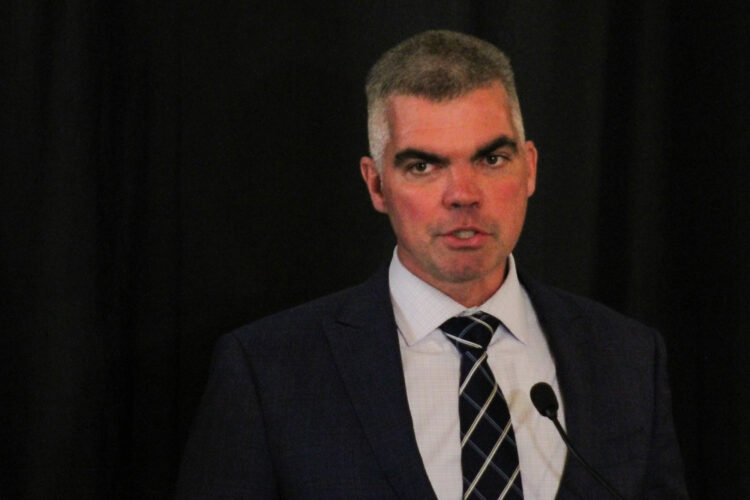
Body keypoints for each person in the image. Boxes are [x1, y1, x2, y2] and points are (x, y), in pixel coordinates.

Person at [176, 30, 688, 499]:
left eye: (491, 159)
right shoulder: (269, 371)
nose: (463, 196)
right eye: (424, 166)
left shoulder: (628, 358)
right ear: (375, 184)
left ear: (529, 167)